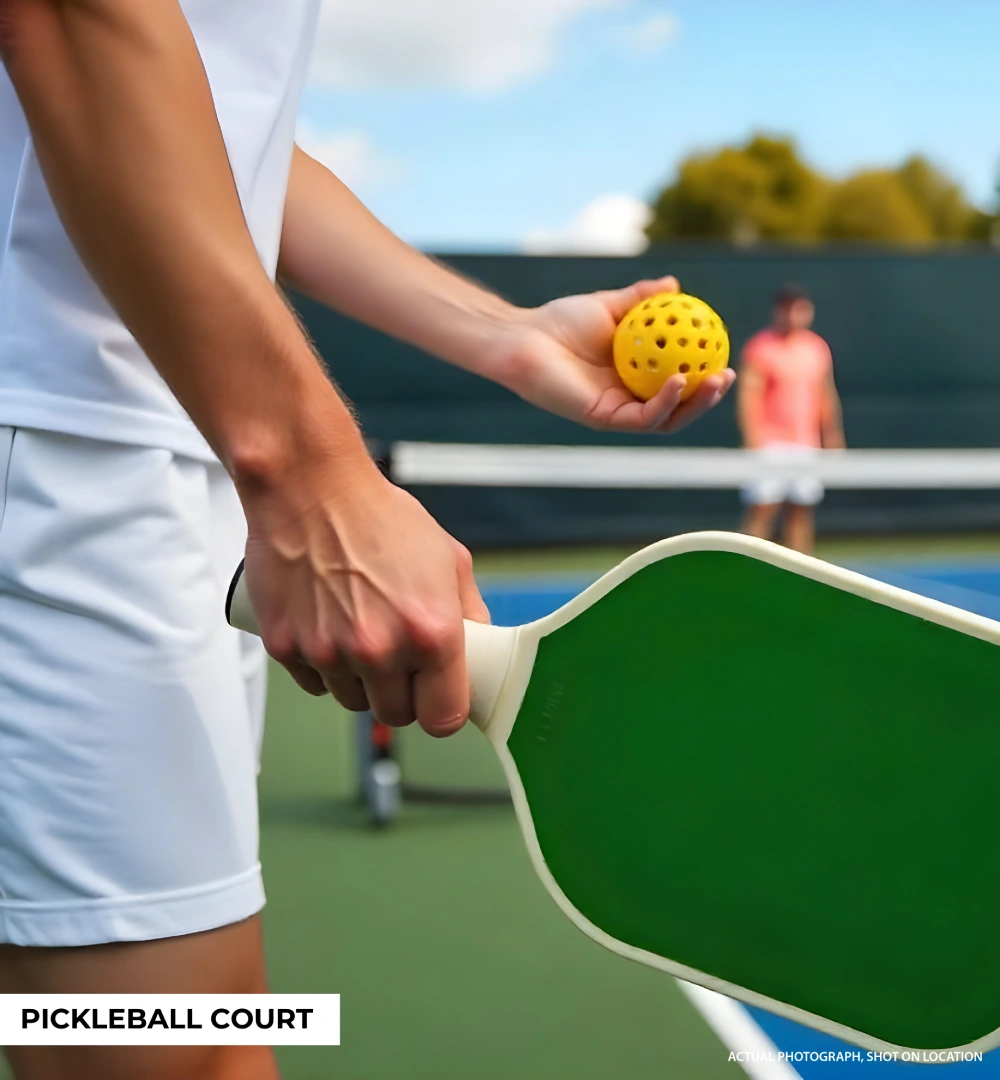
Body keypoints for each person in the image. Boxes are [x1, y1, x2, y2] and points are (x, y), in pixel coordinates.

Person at [0, 5, 734, 1079]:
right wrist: (308, 476)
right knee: (175, 1050)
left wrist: (507, 337)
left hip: (148, 436)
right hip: (62, 435)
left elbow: (229, 134)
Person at [737, 284, 845, 554]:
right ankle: (745, 573)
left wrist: (831, 434)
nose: (793, 316)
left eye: (799, 310)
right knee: (762, 510)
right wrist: (753, 440)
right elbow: (749, 396)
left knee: (801, 512)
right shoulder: (759, 348)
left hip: (806, 444)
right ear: (777, 312)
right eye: (787, 310)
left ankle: (800, 576)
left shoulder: (817, 348)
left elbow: (826, 394)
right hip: (769, 445)